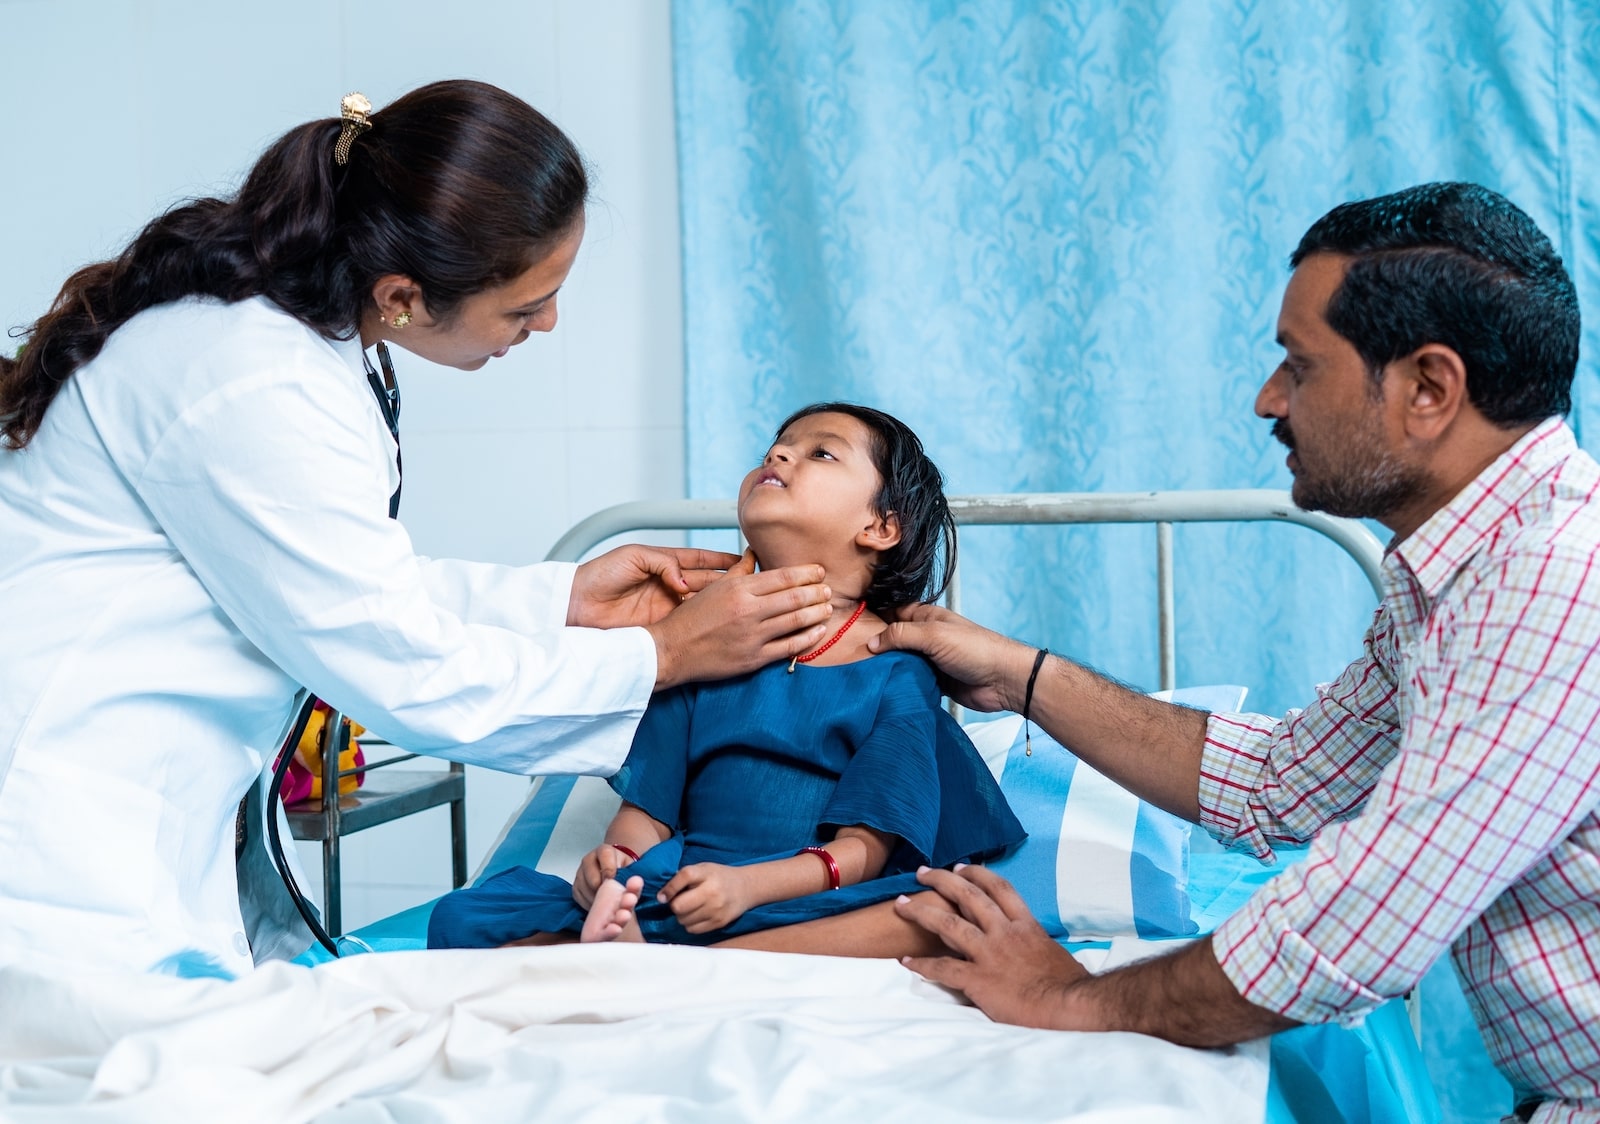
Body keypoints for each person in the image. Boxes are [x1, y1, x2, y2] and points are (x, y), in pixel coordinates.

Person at [0, 81, 835, 981]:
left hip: (125, 806)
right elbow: (395, 660)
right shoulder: (250, 377)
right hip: (55, 816)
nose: (549, 322)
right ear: (400, 294)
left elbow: (342, 581)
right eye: (525, 306)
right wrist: (662, 658)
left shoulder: (308, 345)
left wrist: (563, 599)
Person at [855, 183, 1596, 1121]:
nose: (1267, 400)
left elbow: (1356, 927)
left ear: (1428, 389)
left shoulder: (1556, 585)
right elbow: (1281, 782)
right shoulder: (1454, 578)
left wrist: (1068, 997)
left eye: (1299, 364)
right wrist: (1022, 675)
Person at [426, 403, 1023, 952]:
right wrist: (614, 861)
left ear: (881, 527)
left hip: (808, 901)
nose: (777, 456)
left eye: (820, 452)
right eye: (775, 448)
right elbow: (649, 809)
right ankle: (648, 950)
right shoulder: (699, 646)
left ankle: (664, 965)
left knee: (944, 914)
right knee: (463, 918)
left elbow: (865, 850)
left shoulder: (894, 671)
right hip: (678, 890)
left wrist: (746, 888)